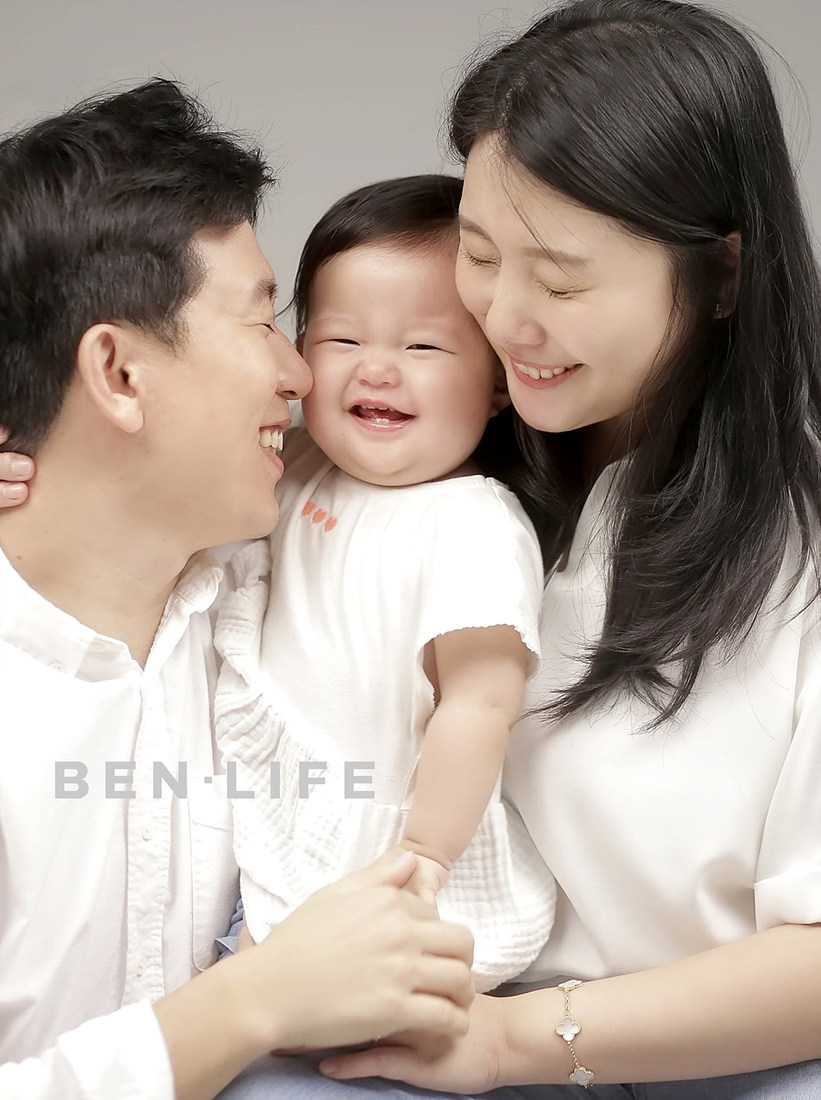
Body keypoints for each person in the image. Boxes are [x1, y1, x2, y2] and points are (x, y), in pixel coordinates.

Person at [310, 0, 821, 1095]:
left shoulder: (797, 555)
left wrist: (510, 1043)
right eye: (479, 255)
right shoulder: (426, 455)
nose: (505, 317)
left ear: (723, 276)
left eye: (561, 278)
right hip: (404, 1036)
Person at [0, 80, 475, 1100]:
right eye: (260, 323)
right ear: (118, 373)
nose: (300, 375)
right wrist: (250, 1000)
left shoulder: (264, 600)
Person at [213, 174, 555, 993]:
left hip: (393, 839)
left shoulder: (471, 523)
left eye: (423, 348)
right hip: (277, 817)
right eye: (340, 339)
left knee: (320, 998)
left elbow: (479, 704)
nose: (376, 370)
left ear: (499, 381)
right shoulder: (296, 462)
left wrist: (424, 856)